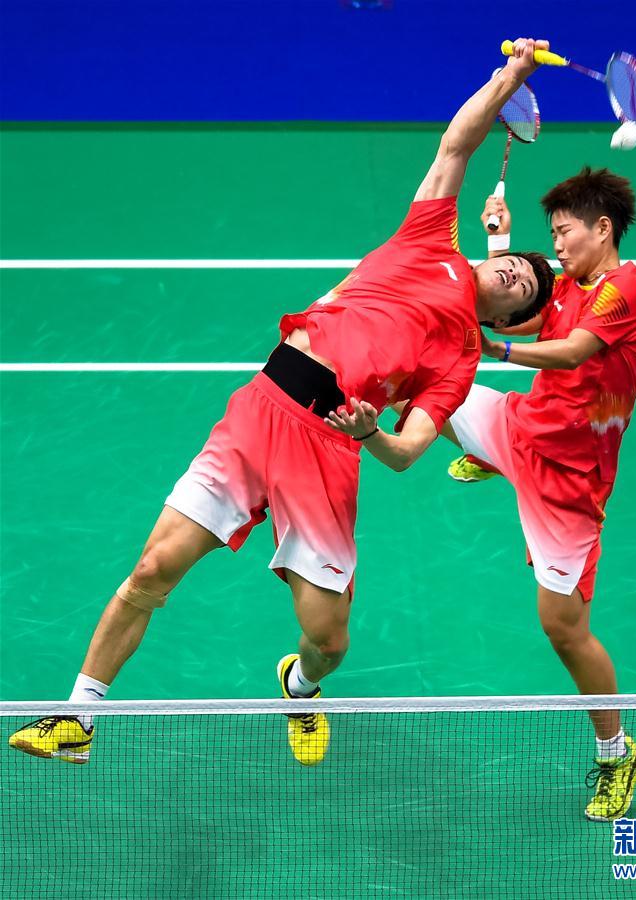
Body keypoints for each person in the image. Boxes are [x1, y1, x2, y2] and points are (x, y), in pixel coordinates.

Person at [9, 39, 554, 769]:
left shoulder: (458, 360)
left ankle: (300, 686)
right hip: (262, 408)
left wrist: (370, 432)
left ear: (512, 319)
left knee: (329, 638)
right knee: (152, 569)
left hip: (328, 447)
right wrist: (509, 76)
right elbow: (457, 144)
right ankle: (78, 717)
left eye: (526, 288)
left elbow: (408, 452)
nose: (516, 274)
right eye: (517, 264)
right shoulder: (430, 241)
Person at [331, 167, 636, 821]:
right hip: (519, 427)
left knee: (563, 629)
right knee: (425, 388)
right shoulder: (569, 283)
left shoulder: (625, 291)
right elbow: (525, 310)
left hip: (568, 482)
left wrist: (493, 349)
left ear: (602, 229)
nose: (556, 245)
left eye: (563, 233)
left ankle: (618, 754)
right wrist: (499, 243)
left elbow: (571, 351)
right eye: (552, 234)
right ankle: (488, 455)